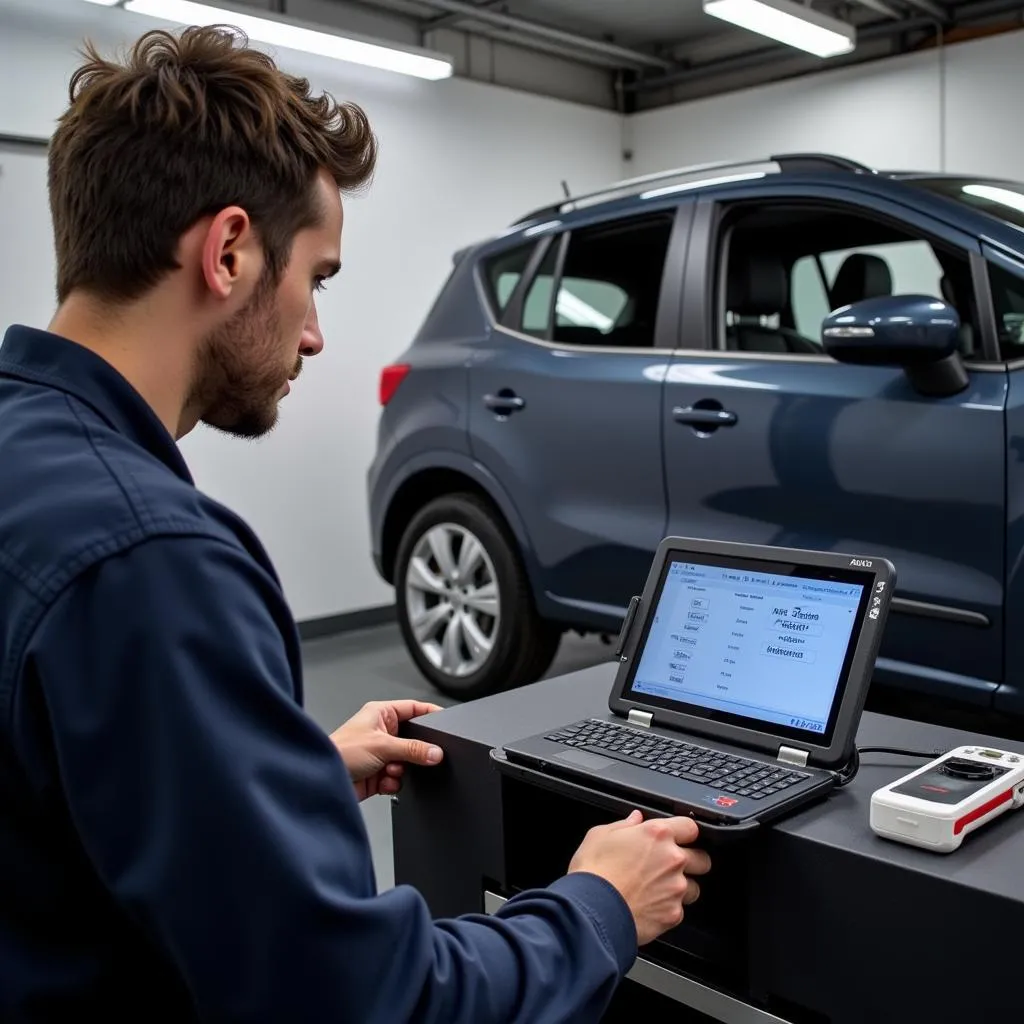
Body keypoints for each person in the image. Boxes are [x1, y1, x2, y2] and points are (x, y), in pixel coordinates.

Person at [0, 25, 711, 1022]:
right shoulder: (155, 560)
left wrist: (287, 774)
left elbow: (54, 820)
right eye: (318, 279)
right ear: (231, 251)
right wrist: (597, 903)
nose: (317, 333)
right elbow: (354, 999)